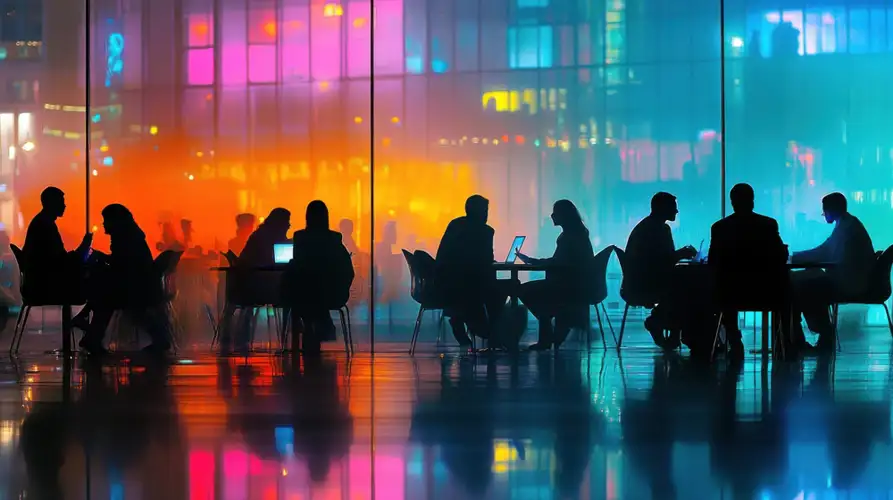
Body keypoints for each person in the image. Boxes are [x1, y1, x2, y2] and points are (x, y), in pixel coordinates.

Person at [708, 183, 788, 358]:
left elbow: (713, 262)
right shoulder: (768, 225)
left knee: (723, 286)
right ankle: (784, 343)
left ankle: (733, 338)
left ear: (732, 202)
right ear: (752, 201)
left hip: (730, 294)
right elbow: (780, 257)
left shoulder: (719, 228)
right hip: (766, 294)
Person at [790, 192, 875, 352]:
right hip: (851, 279)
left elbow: (824, 251)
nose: (824, 215)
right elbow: (826, 250)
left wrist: (794, 258)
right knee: (809, 280)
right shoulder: (848, 225)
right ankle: (815, 334)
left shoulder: (846, 228)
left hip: (848, 283)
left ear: (832, 209)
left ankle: (816, 333)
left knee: (805, 285)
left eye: (825, 211)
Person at [79, 204, 168, 355]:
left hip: (135, 287)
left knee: (105, 298)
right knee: (107, 297)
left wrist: (100, 258)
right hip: (140, 285)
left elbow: (122, 264)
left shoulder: (125, 238)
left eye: (106, 220)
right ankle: (91, 334)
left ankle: (91, 333)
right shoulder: (131, 236)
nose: (103, 224)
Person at [622, 192, 697, 347]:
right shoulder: (659, 229)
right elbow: (662, 262)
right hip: (648, 284)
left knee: (681, 288)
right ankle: (667, 326)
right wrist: (682, 254)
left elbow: (660, 261)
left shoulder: (648, 227)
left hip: (639, 283)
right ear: (663, 208)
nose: (676, 211)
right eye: (673, 207)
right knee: (686, 290)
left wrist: (678, 255)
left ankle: (666, 326)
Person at [517, 200, 594, 350]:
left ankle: (549, 328)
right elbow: (559, 261)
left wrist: (533, 261)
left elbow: (558, 262)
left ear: (564, 215)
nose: (552, 215)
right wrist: (534, 261)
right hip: (575, 283)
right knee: (538, 296)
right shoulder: (576, 233)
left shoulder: (569, 236)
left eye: (555, 212)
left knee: (523, 290)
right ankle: (557, 322)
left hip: (568, 285)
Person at [435, 195, 507, 346]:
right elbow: (486, 260)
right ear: (481, 212)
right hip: (471, 286)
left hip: (446, 285)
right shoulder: (486, 231)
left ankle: (462, 318)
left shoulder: (454, 225)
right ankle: (491, 330)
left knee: (491, 288)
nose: (487, 215)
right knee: (507, 287)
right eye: (485, 211)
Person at [283, 201, 354, 354]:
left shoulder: (301, 237)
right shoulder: (334, 239)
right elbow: (347, 270)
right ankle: (320, 325)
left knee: (305, 286)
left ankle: (308, 328)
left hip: (305, 294)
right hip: (332, 294)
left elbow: (299, 266)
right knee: (315, 287)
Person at [21, 187, 92, 303]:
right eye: (61, 202)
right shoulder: (45, 225)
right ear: (51, 203)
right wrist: (82, 249)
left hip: (37, 284)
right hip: (44, 287)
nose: (64, 206)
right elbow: (60, 262)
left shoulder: (41, 222)